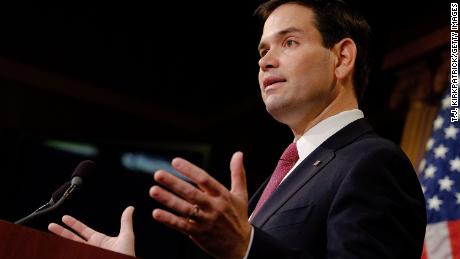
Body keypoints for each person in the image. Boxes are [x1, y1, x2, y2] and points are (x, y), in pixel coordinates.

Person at [48, 0, 427, 258]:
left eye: (289, 42)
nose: (266, 62)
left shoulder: (373, 163)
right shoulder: (281, 177)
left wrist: (247, 249)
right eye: (262, 51)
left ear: (342, 57)